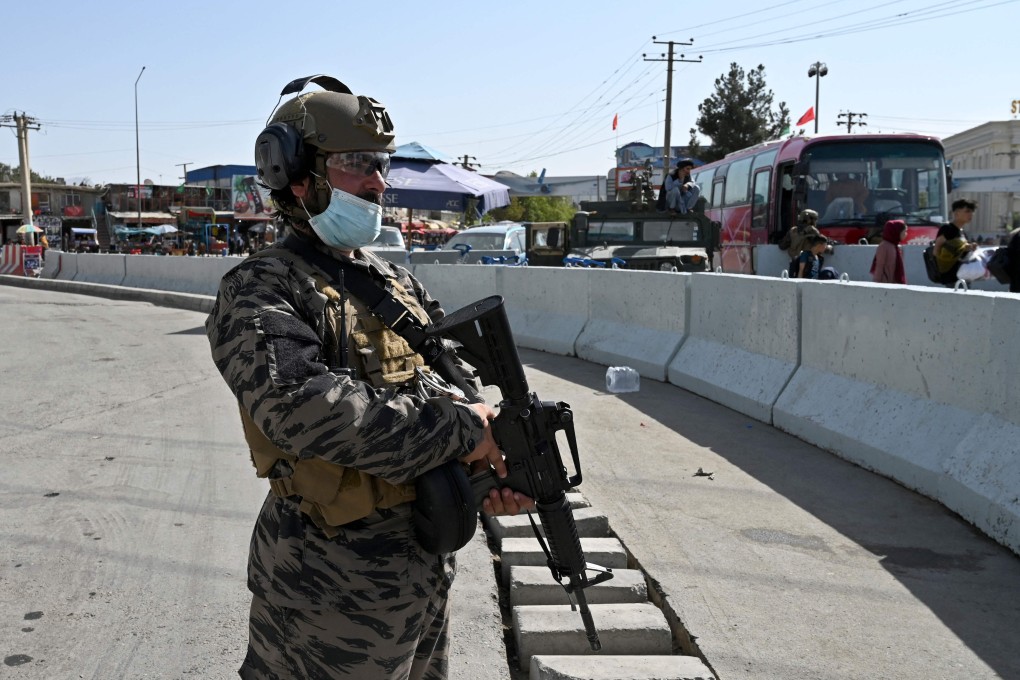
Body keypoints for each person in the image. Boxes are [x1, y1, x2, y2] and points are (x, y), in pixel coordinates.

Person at [205, 75, 533, 680]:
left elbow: (454, 383)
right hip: (325, 592)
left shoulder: (391, 282)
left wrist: (490, 465)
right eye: (358, 164)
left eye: (380, 164)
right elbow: (304, 409)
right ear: (295, 173)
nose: (379, 183)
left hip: (422, 564)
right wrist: (464, 431)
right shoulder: (258, 290)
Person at [934, 199, 978, 276]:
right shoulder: (947, 229)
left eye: (972, 211)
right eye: (967, 211)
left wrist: (970, 248)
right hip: (950, 276)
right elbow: (936, 252)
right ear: (956, 213)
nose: (971, 214)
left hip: (962, 274)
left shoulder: (962, 232)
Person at [870, 219, 908, 284]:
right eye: (904, 232)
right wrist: (876, 285)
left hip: (893, 284)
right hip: (884, 285)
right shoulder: (884, 247)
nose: (906, 234)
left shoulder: (896, 247)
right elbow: (879, 266)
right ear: (896, 232)